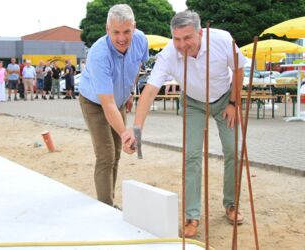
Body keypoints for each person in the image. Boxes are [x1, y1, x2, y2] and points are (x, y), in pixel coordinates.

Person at [124, 10, 246, 238]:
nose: (182, 44)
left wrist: (233, 101)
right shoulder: (169, 54)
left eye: (187, 38)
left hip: (224, 99)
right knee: (191, 156)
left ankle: (231, 204)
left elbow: (239, 68)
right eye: (177, 39)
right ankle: (192, 215)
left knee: (233, 151)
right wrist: (136, 130)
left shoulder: (221, 40)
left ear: (200, 32)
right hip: (193, 103)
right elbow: (149, 92)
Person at [78, 4, 149, 206]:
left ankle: (109, 200)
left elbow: (137, 67)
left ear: (134, 27)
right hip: (95, 102)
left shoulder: (141, 40)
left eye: (127, 31)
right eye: (116, 32)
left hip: (118, 99)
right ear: (107, 29)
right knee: (106, 154)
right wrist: (126, 133)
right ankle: (105, 207)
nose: (122, 38)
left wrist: (129, 93)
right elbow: (107, 104)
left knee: (117, 153)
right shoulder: (99, 54)